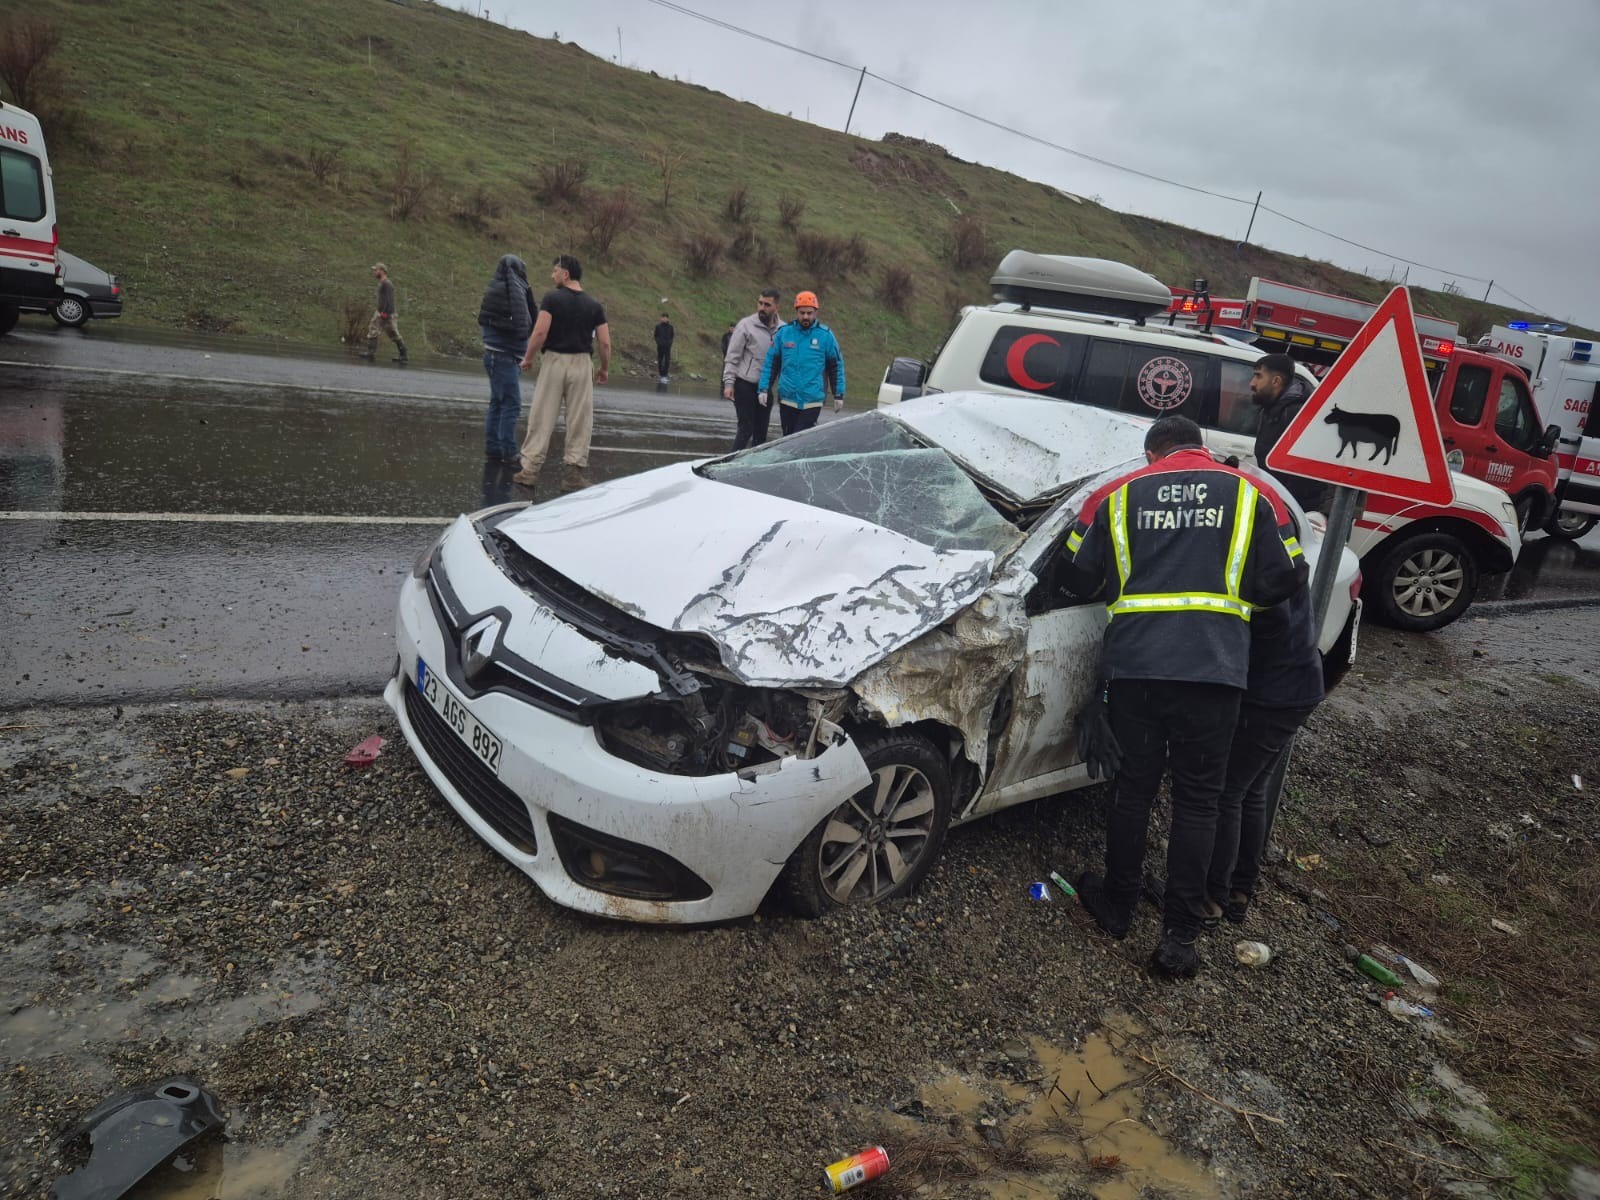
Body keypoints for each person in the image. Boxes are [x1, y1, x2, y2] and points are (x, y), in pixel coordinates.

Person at [1065, 415, 1307, 977]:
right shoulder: (1253, 492)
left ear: (1153, 454)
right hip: (1214, 672)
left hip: (1136, 668)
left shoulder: (1117, 492)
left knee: (1133, 791)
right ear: (1203, 448)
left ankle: (1118, 905)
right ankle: (1179, 939)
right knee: (1199, 801)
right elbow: (1290, 574)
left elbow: (1075, 572)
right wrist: (1235, 607)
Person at [1202, 571, 1324, 926]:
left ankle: (1210, 899)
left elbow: (1272, 618)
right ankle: (1239, 891)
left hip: (1270, 694)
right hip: (1297, 685)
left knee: (1227, 792)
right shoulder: (1281, 545)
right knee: (1251, 790)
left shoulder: (1256, 550)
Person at [514, 255, 611, 492]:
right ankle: (573, 474)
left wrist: (528, 357)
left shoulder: (552, 299)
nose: (552, 275)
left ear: (565, 274)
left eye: (555, 271)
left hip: (554, 361)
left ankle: (530, 470)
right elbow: (605, 343)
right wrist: (604, 368)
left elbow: (540, 332)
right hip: (582, 363)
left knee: (542, 415)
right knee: (579, 419)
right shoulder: (595, 305)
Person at [1250, 353, 1331, 514]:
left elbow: (1302, 476)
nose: (1252, 383)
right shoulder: (1271, 410)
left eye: (1258, 376)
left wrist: (1284, 509)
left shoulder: (1296, 414)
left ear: (1276, 381)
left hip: (1292, 508)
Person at [757, 290, 846, 436]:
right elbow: (771, 363)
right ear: (796, 312)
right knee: (788, 438)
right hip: (788, 398)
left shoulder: (826, 336)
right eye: (802, 313)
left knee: (800, 437)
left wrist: (839, 394)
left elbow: (836, 366)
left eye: (809, 313)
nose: (805, 316)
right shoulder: (784, 333)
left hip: (812, 400)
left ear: (815, 312)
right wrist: (763, 389)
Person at [477, 254, 535, 466]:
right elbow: (521, 319)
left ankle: (493, 449)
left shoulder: (496, 288)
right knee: (512, 404)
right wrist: (525, 338)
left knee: (498, 402)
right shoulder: (512, 288)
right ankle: (509, 451)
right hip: (504, 355)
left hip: (496, 354)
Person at [723, 289, 781, 451]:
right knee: (746, 428)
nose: (762, 308)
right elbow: (732, 356)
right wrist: (729, 383)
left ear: (776, 307)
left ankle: (755, 464)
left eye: (767, 305)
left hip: (766, 387)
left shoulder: (783, 330)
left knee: (761, 434)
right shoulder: (745, 325)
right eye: (760, 303)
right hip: (745, 384)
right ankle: (731, 462)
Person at [360, 263, 407, 365]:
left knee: (393, 333)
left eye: (376, 270)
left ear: (382, 271)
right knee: (373, 328)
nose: (374, 272)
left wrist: (385, 313)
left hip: (387, 313)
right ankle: (371, 352)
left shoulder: (387, 284)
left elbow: (389, 300)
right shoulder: (382, 283)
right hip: (380, 312)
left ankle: (404, 355)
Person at [654, 313, 675, 382]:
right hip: (660, 346)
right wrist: (658, 342)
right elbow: (655, 335)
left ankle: (665, 375)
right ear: (661, 318)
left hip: (667, 346)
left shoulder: (670, 327)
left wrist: (670, 343)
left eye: (665, 318)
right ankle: (661, 375)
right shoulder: (658, 326)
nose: (664, 319)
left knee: (667, 361)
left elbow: (672, 336)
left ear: (668, 319)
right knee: (660, 360)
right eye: (663, 318)